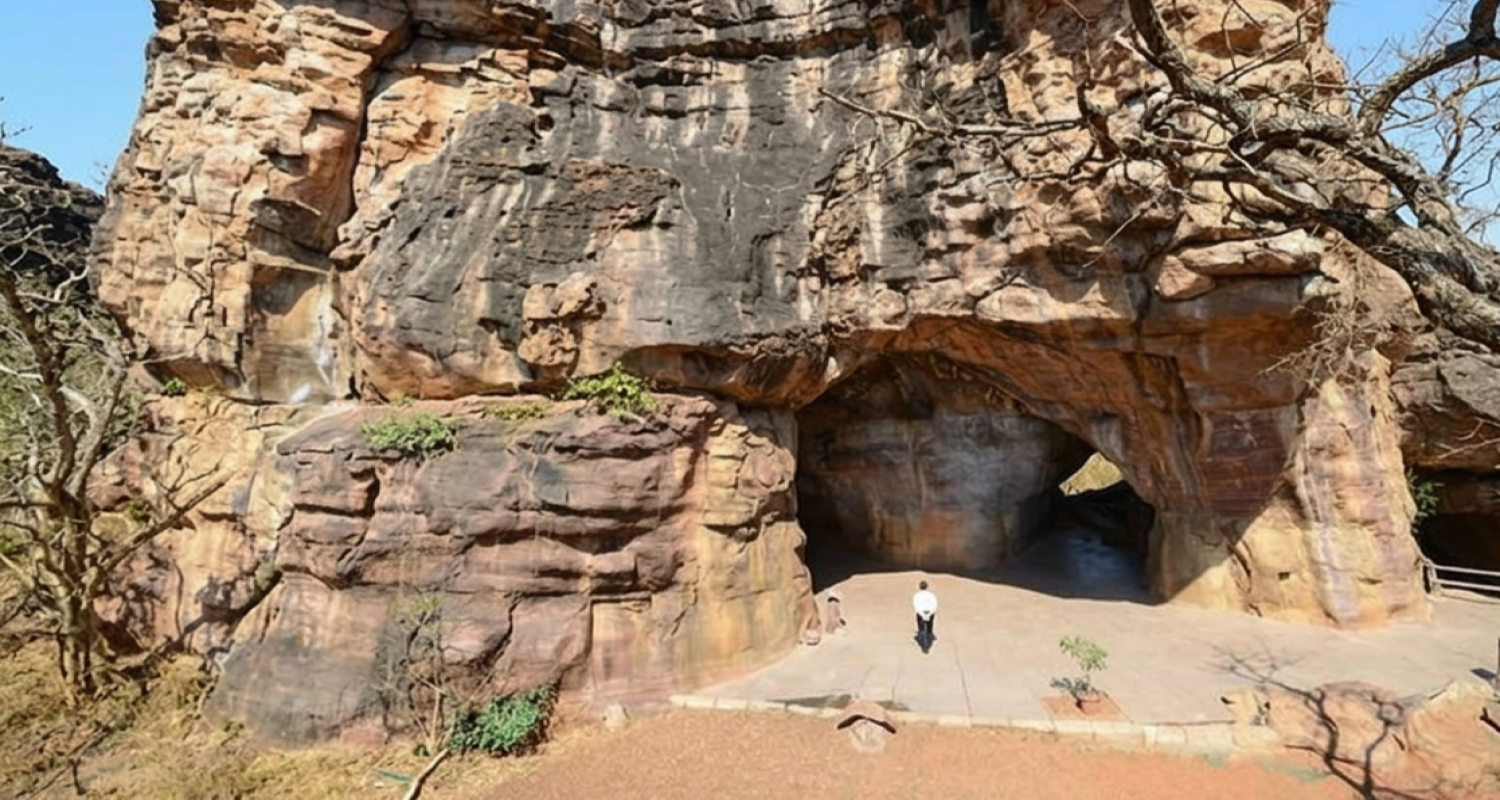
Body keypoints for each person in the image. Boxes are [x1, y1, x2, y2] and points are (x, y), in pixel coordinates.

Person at [912, 580, 938, 653]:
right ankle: (929, 635)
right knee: (930, 625)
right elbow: (935, 604)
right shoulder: (931, 595)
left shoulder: (917, 595)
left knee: (921, 627)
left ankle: (923, 642)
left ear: (920, 587)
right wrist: (932, 612)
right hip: (930, 611)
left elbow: (915, 605)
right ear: (927, 587)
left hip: (921, 612)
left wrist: (920, 612)